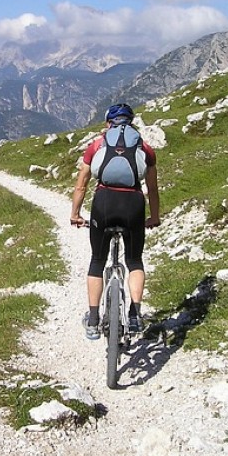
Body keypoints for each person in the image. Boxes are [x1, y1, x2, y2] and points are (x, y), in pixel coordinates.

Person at [70, 103, 160, 340]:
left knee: (97, 260)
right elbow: (152, 188)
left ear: (108, 123)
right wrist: (155, 217)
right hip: (133, 205)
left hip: (104, 203)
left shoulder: (97, 145)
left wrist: (75, 214)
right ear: (131, 123)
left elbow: (81, 185)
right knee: (134, 261)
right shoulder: (144, 147)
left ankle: (92, 320)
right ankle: (135, 315)